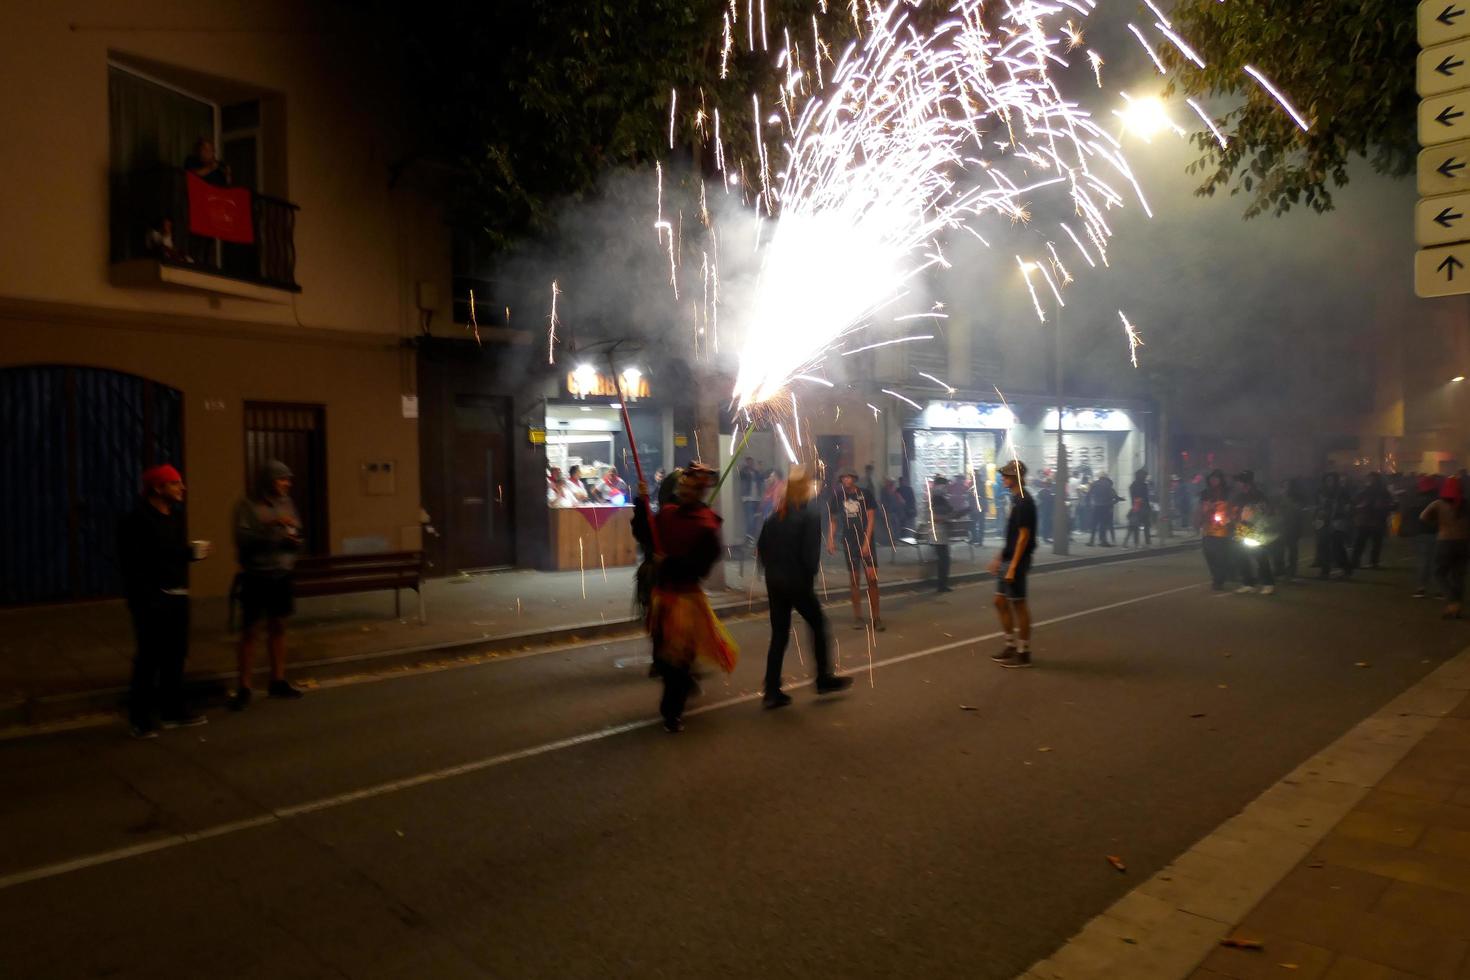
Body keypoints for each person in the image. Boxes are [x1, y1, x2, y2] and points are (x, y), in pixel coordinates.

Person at [117, 464, 210, 738]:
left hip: (178, 595)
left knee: (176, 656)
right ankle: (140, 718)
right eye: (175, 483)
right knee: (149, 658)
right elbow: (134, 564)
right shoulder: (136, 520)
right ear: (157, 488)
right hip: (151, 599)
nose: (182, 488)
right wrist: (146, 597)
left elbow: (171, 553)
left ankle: (172, 710)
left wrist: (191, 553)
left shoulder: (174, 516)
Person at [649, 463, 738, 732]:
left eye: (689, 487)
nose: (683, 490)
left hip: (685, 600)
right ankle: (681, 687)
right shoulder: (667, 514)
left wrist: (669, 562)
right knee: (664, 656)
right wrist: (641, 502)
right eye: (682, 487)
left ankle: (671, 712)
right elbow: (647, 534)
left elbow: (700, 567)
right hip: (662, 597)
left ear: (698, 492)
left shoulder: (706, 525)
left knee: (679, 657)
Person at [757, 465, 854, 708]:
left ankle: (771, 690)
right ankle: (823, 678)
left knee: (779, 635)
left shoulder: (774, 516)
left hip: (775, 581)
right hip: (796, 581)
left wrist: (773, 571)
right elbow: (810, 558)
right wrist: (807, 579)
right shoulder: (809, 516)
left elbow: (761, 550)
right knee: (819, 624)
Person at [230, 460, 306, 709]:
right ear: (268, 481)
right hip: (257, 575)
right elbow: (242, 539)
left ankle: (278, 679)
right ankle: (244, 686)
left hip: (281, 573)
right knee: (250, 630)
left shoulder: (287, 502)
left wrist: (293, 541)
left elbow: (296, 528)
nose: (287, 484)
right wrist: (271, 527)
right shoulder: (248, 505)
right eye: (281, 479)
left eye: (288, 479)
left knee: (279, 626)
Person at [989, 461, 1037, 668]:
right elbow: (1013, 535)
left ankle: (1023, 651)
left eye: (1007, 475)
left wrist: (1013, 565)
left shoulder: (1025, 502)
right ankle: (1010, 645)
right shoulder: (1016, 499)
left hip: (1017, 560)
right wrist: (1000, 558)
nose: (1003, 478)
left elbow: (1024, 536)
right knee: (1000, 602)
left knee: (1019, 604)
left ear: (1016, 478)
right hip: (1009, 558)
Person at [829, 469, 884, 631]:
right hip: (849, 541)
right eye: (843, 477)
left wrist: (866, 542)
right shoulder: (838, 496)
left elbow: (871, 518)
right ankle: (858, 617)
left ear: (854, 478)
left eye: (848, 477)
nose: (846, 480)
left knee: (872, 579)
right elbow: (833, 520)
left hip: (866, 540)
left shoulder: (865, 494)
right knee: (854, 580)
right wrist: (831, 539)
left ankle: (876, 617)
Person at [1422, 476, 1470, 619]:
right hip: (1464, 543)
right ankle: (1456, 607)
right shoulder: (1467, 504)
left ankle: (1452, 601)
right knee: (1458, 576)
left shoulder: (1437, 504)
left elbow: (1423, 516)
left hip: (1445, 541)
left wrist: (1438, 523)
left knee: (1439, 573)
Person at [1231, 470, 1276, 595]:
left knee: (1260, 557)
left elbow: (1268, 511)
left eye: (1241, 482)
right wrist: (1233, 518)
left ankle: (1268, 583)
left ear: (1248, 483)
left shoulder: (1258, 495)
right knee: (1241, 556)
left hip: (1256, 530)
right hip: (1241, 529)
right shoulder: (1239, 496)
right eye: (1239, 482)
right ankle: (1248, 583)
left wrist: (1256, 515)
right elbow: (1234, 512)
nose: (1239, 485)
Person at [1402, 474, 1443, 598]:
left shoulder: (1415, 500)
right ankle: (1440, 589)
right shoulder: (1439, 500)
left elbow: (1409, 517)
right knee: (1437, 561)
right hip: (1437, 533)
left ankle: (1421, 588)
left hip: (1421, 534)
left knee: (1424, 561)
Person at [1197, 469, 1234, 591]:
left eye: (1216, 478)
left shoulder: (1228, 492)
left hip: (1222, 529)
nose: (1214, 481)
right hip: (1208, 527)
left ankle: (1219, 579)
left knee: (1221, 555)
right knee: (1208, 553)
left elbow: (1233, 508)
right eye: (1212, 478)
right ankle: (1216, 576)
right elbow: (1200, 508)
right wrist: (1201, 517)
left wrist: (1228, 519)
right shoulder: (1205, 493)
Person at [1313, 473, 1353, 579]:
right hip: (1324, 522)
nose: (1329, 482)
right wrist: (1317, 517)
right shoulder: (1321, 491)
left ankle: (1346, 568)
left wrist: (1337, 507)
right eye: (1327, 480)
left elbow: (1347, 506)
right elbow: (1317, 506)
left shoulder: (1341, 491)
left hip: (1337, 522)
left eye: (1331, 480)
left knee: (1337, 547)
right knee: (1323, 546)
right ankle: (1325, 571)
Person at [1350, 472, 1393, 570]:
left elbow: (1387, 504)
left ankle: (1371, 562)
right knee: (1361, 543)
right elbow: (1355, 502)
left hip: (1375, 521)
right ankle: (1357, 561)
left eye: (1373, 479)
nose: (1371, 481)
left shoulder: (1382, 492)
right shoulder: (1366, 491)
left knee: (1373, 543)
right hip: (1366, 521)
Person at [929, 475, 955, 592]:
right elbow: (935, 517)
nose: (946, 488)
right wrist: (947, 518)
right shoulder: (936, 499)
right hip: (938, 534)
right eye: (945, 485)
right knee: (943, 560)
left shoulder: (939, 498)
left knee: (944, 559)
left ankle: (942, 584)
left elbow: (950, 511)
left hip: (941, 534)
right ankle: (941, 585)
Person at [1088, 472, 1119, 546]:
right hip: (1105, 506)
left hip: (1096, 506)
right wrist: (1115, 500)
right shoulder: (1107, 484)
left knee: (1094, 524)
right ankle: (1103, 540)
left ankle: (1091, 541)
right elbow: (1112, 495)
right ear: (1106, 477)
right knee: (1103, 524)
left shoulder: (1094, 483)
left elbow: (1089, 494)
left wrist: (1089, 504)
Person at [1123, 468, 1152, 548]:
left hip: (1136, 507)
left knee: (1135, 526)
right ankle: (1146, 542)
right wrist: (1148, 507)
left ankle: (1135, 542)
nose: (1145, 477)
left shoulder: (1132, 485)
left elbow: (1134, 498)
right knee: (1144, 525)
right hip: (1142, 508)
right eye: (1145, 476)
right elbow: (1145, 498)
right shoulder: (1143, 485)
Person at [739, 456, 764, 541]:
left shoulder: (756, 472)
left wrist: (760, 469)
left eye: (752, 462)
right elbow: (742, 475)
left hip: (756, 499)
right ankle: (749, 535)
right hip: (748, 498)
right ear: (746, 463)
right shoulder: (744, 471)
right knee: (750, 518)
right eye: (749, 462)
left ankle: (751, 536)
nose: (751, 464)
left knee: (755, 518)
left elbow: (761, 479)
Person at [1037, 477, 1055, 543]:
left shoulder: (1042, 492)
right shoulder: (1050, 492)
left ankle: (1047, 537)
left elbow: (1038, 502)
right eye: (1047, 483)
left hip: (1046, 510)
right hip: (1047, 510)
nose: (1047, 484)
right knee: (1047, 524)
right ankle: (1047, 537)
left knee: (1047, 524)